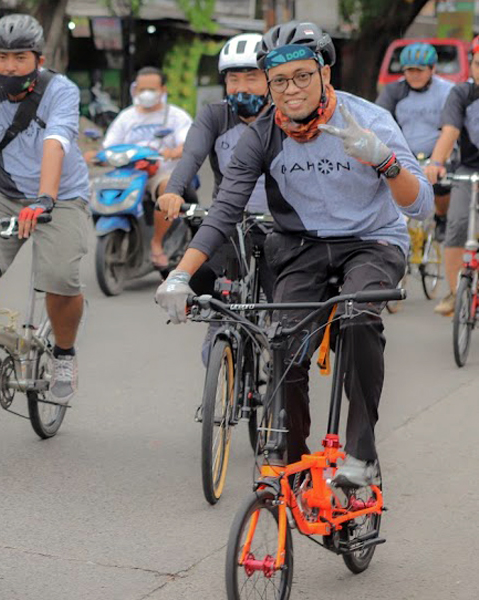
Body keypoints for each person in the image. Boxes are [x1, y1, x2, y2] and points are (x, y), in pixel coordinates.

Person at [156, 21, 433, 487]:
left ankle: (361, 454)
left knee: (359, 315)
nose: (291, 89)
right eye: (279, 80)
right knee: (283, 340)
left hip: (372, 239)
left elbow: (420, 204)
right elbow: (226, 209)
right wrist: (180, 276)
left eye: (302, 76)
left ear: (325, 72)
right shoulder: (263, 134)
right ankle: (294, 459)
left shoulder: (368, 119)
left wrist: (383, 160)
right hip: (302, 243)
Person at [0, 14, 90, 405]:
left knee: (61, 276)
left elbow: (56, 141)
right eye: (1, 57)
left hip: (60, 195)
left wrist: (45, 198)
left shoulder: (60, 91)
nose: (10, 66)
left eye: (19, 58)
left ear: (38, 59)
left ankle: (64, 354)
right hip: (6, 192)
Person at [156, 33, 273, 364]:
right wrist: (173, 191)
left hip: (279, 223)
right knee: (206, 282)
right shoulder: (214, 115)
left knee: (284, 302)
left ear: (269, 78)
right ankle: (219, 325)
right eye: (233, 78)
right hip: (229, 221)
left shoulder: (283, 115)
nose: (242, 87)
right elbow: (191, 155)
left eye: (251, 77)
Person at [85, 67, 193, 269]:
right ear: (135, 90)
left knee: (167, 188)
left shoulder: (176, 117)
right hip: (128, 172)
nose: (146, 94)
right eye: (142, 89)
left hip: (161, 172)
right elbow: (109, 146)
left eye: (151, 89)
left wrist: (173, 152)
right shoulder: (126, 117)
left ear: (163, 89)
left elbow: (187, 143)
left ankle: (157, 243)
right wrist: (97, 156)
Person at [424, 36, 479, 316]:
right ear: (471, 65)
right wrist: (436, 162)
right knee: (457, 225)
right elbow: (450, 131)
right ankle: (457, 293)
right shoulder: (461, 94)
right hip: (468, 170)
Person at [376, 42, 453, 241]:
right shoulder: (394, 90)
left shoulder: (446, 91)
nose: (414, 75)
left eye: (420, 70)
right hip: (405, 152)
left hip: (436, 153)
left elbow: (450, 128)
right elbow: (380, 120)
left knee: (442, 185)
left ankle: (441, 217)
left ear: (432, 69)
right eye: (410, 70)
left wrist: (438, 161)